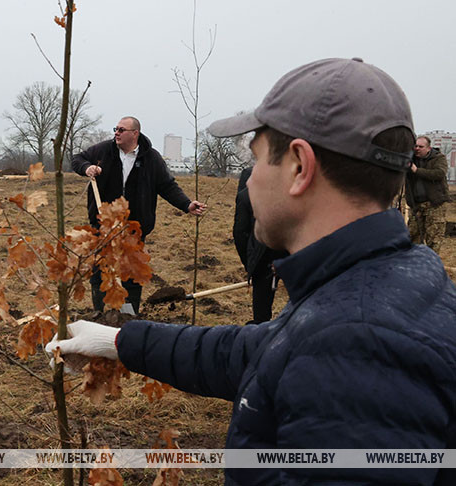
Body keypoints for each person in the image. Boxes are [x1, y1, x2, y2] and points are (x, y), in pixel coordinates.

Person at [47, 58, 456, 485]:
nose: (249, 181)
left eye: (256, 159)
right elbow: (254, 352)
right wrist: (118, 341)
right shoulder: (385, 280)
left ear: (300, 167)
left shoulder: (357, 347)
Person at [71, 116, 206, 313]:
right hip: (103, 224)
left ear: (135, 134)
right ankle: (100, 313)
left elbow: (167, 186)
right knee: (100, 270)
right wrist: (87, 168)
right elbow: (77, 159)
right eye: (115, 128)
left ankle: (128, 315)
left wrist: (186, 205)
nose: (116, 132)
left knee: (132, 273)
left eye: (121, 130)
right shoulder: (102, 151)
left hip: (134, 227)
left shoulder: (151, 158)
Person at [232, 166, 288, 323]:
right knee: (301, 303)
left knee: (261, 314)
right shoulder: (288, 188)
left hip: (263, 260)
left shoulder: (244, 196)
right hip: (285, 255)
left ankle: (261, 334)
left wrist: (250, 263)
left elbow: (240, 233)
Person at [406, 135, 450, 254]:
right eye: (415, 146)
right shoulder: (410, 160)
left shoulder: (438, 158)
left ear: (428, 148)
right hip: (416, 205)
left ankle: (431, 264)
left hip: (435, 204)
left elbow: (439, 173)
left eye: (421, 146)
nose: (417, 149)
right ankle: (414, 264)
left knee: (434, 238)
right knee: (412, 235)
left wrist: (416, 171)